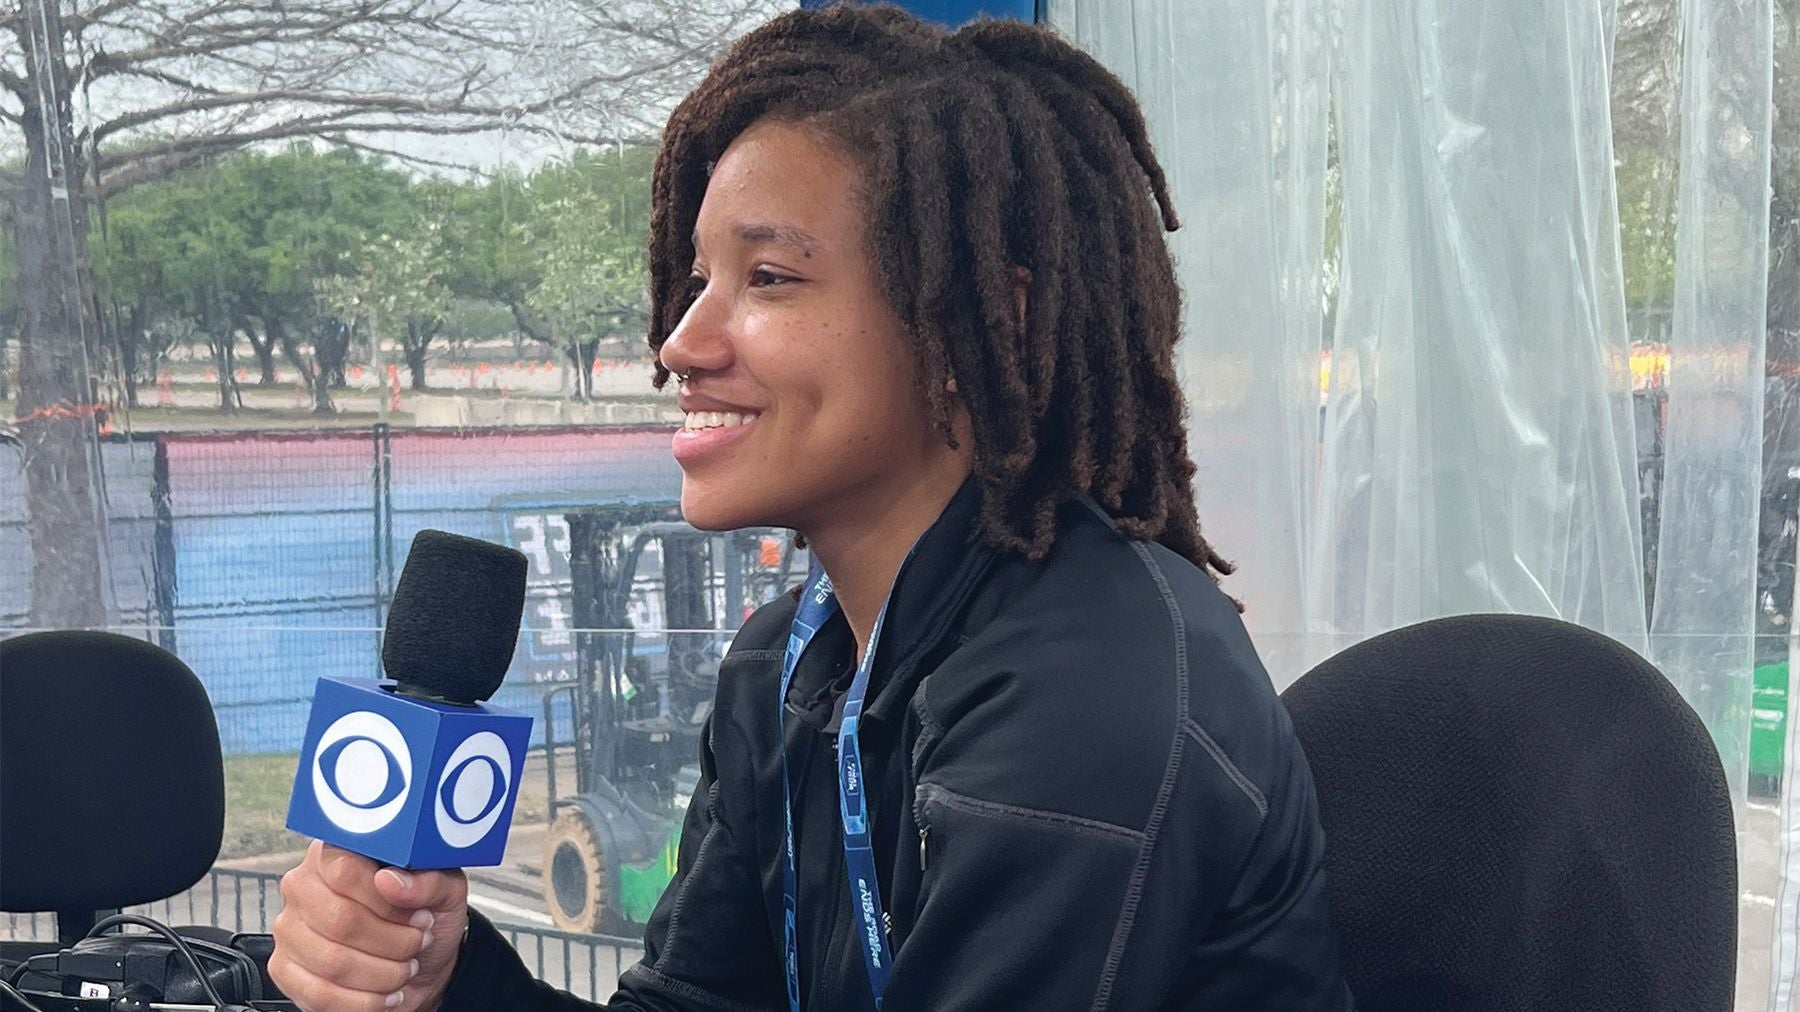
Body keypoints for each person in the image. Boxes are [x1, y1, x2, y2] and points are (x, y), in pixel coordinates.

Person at [268, 5, 1353, 1010]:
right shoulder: (784, 669)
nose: (682, 343)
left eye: (770, 278)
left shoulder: (1090, 693)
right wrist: (443, 973)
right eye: (696, 279)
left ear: (980, 326)